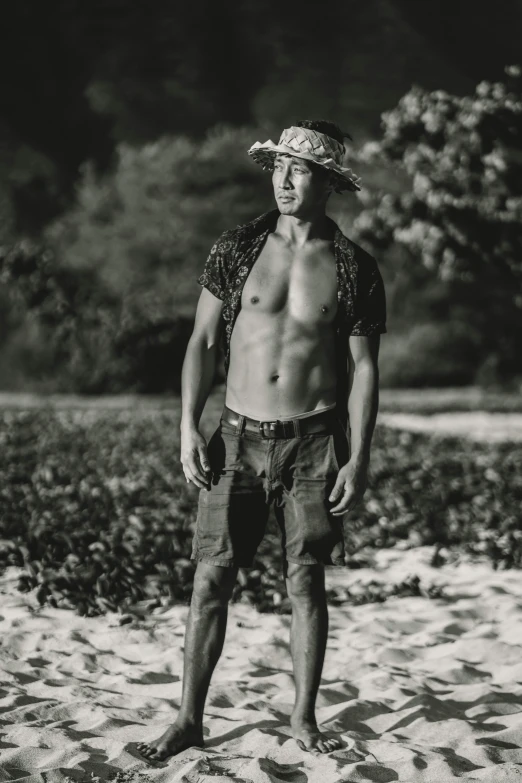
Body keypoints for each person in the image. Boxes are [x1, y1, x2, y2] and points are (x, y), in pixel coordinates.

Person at [136, 120, 387, 762]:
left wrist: (358, 457)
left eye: (298, 170)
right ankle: (189, 719)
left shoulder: (354, 267)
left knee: (305, 581)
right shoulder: (239, 246)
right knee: (209, 579)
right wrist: (187, 424)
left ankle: (302, 719)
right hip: (237, 436)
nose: (283, 179)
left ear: (327, 182)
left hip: (314, 441)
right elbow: (202, 342)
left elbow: (364, 371)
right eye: (278, 167)